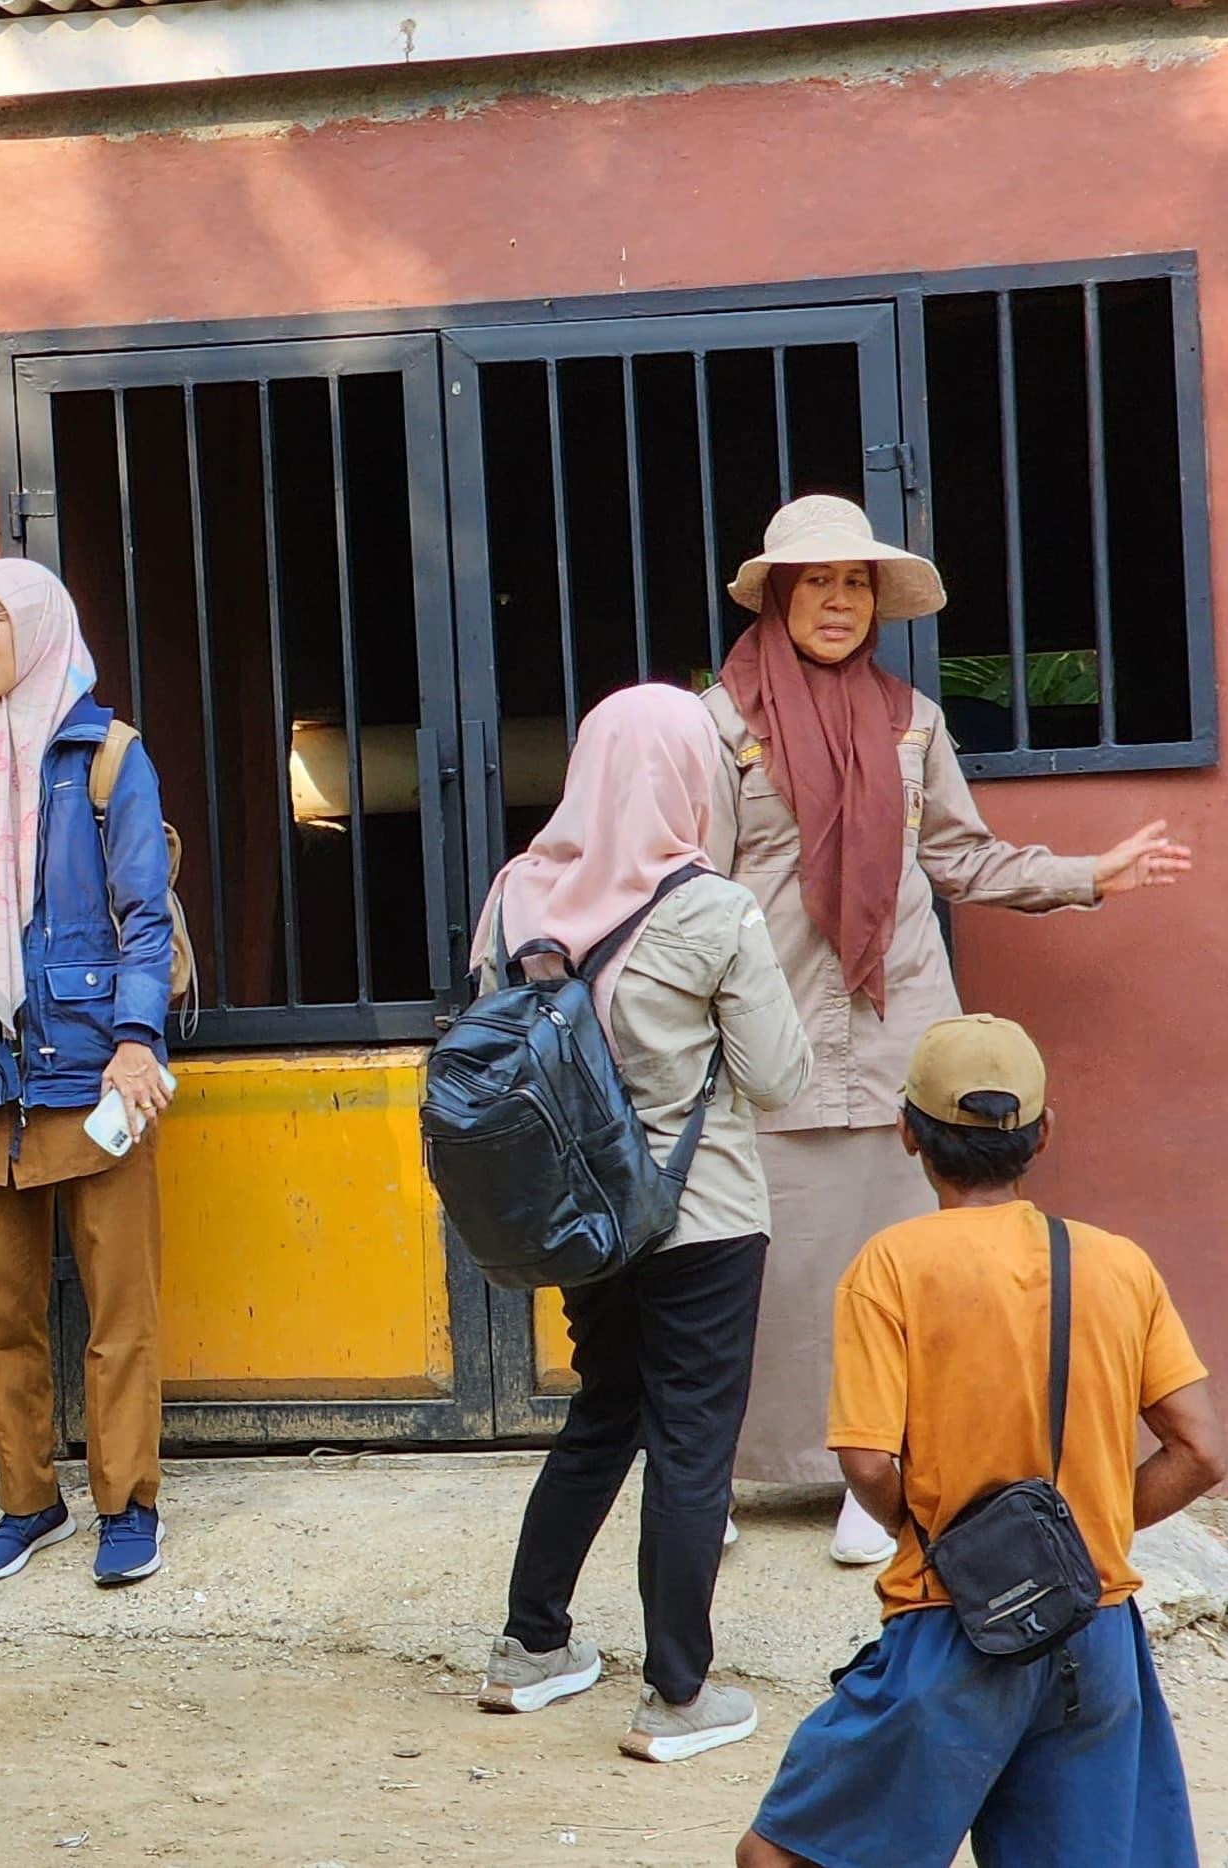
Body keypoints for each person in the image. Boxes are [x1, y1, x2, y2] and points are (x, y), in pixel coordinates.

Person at [706, 494, 1193, 1564]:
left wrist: (1085, 875)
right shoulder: (717, 724)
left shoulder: (909, 720)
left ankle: (868, 1469)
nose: (837, 601)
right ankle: (722, 1474)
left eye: (854, 584)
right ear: (778, 592)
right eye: (816, 581)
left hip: (894, 1025)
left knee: (892, 1255)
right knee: (764, 1260)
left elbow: (960, 859)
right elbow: (694, 882)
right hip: (770, 1026)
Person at [741, 1014, 1221, 1866]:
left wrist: (937, 1540)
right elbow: (1201, 1452)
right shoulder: (1119, 1264)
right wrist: (1079, 1536)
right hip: (1096, 1633)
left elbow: (864, 1459)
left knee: (781, 1856)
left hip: (952, 1628)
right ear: (1043, 1135)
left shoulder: (889, 1267)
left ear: (906, 1133)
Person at [471, 684, 812, 1764]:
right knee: (691, 1445)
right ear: (687, 774)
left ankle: (531, 1647)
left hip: (581, 1217)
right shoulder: (711, 908)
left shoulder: (519, 892)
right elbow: (777, 1075)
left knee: (603, 1411)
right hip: (698, 1212)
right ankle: (676, 1693)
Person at [0, 558, 181, 1590]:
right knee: (1, 1311)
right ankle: (27, 1501)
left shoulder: (108, 759)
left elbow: (143, 919)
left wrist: (136, 1039)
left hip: (92, 1072)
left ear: (40, 628)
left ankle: (126, 1502)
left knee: (116, 1306)